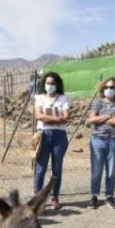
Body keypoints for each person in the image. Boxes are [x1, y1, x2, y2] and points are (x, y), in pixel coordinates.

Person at [87, 77, 115, 210]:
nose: (109, 90)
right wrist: (107, 117)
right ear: (103, 89)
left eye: (112, 87)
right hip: (97, 140)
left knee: (111, 171)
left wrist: (100, 119)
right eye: (106, 87)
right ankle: (94, 196)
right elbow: (91, 119)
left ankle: (109, 196)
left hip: (114, 141)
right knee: (96, 170)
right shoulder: (98, 102)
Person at [34, 71, 70, 210]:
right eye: (48, 83)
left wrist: (48, 118)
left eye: (53, 83)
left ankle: (55, 197)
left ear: (57, 84)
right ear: (44, 84)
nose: (50, 85)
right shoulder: (40, 98)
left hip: (59, 137)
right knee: (41, 169)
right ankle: (38, 199)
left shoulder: (63, 98)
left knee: (57, 169)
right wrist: (57, 119)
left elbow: (66, 116)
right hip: (43, 135)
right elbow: (39, 115)